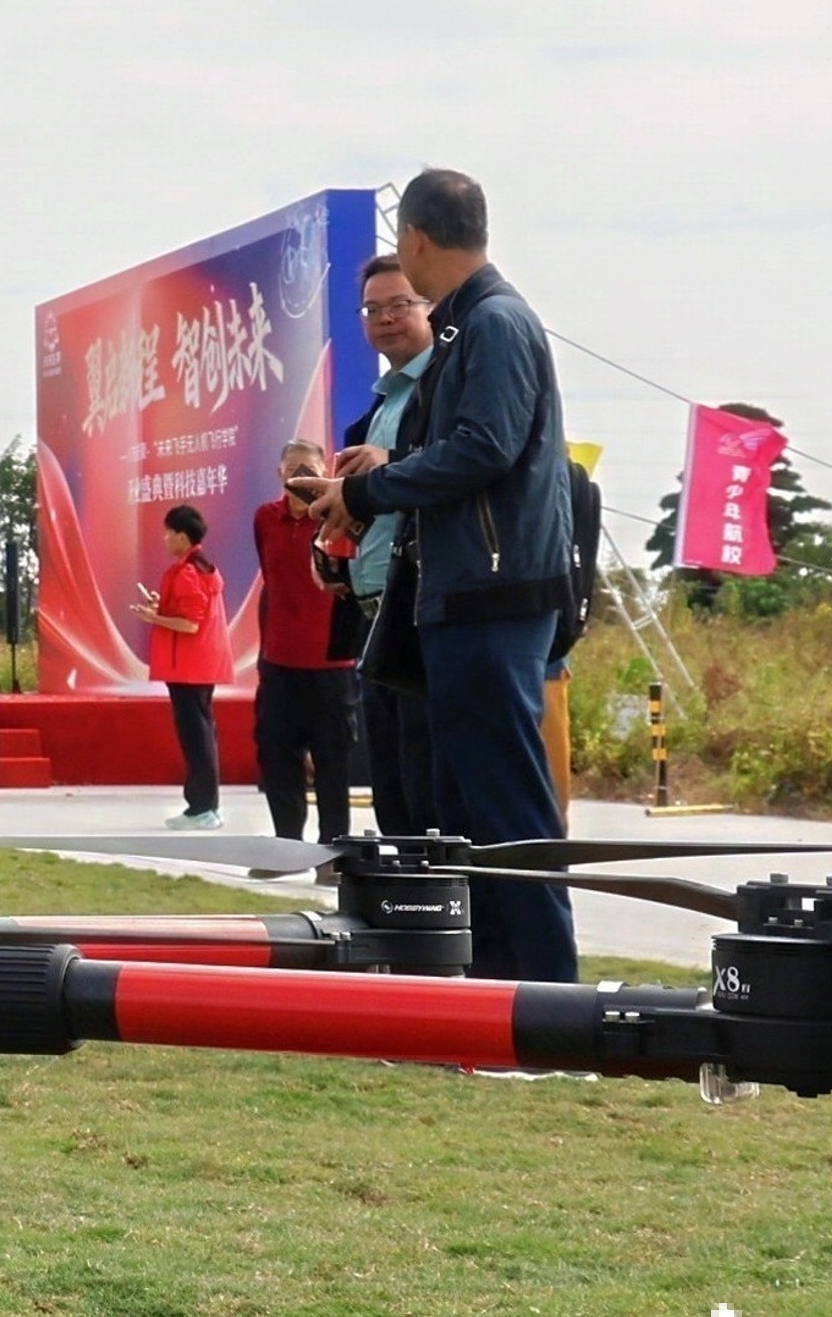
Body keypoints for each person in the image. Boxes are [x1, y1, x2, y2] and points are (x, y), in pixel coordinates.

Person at [315, 171, 582, 983]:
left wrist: (365, 488)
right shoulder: (471, 328)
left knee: (508, 806)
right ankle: (497, 994)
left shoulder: (496, 323)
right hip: (464, 594)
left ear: (419, 240)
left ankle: (542, 1003)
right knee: (468, 807)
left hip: (495, 596)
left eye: (402, 246)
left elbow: (483, 448)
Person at [336, 258, 439, 836]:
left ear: (431, 307)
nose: (385, 319)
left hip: (424, 612)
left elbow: (460, 467)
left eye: (401, 305)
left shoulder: (444, 386)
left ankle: (443, 922)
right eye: (372, 310)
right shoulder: (379, 408)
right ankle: (405, 922)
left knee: (429, 800)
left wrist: (391, 464)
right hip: (376, 614)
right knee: (394, 797)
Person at [247, 455, 357, 842]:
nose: (300, 477)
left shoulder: (340, 517)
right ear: (280, 473)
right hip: (279, 663)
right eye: (293, 469)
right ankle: (287, 844)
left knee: (332, 763)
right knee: (276, 757)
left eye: (308, 469)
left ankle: (331, 851)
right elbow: (271, 580)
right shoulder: (265, 518)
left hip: (332, 663)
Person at [140, 503, 230, 818]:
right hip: (198, 666)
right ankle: (202, 804)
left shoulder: (188, 572)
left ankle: (203, 807)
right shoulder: (201, 566)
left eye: (168, 533)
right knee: (201, 734)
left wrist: (155, 617)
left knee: (197, 738)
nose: (164, 539)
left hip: (189, 667)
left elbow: (191, 624)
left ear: (181, 536)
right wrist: (160, 609)